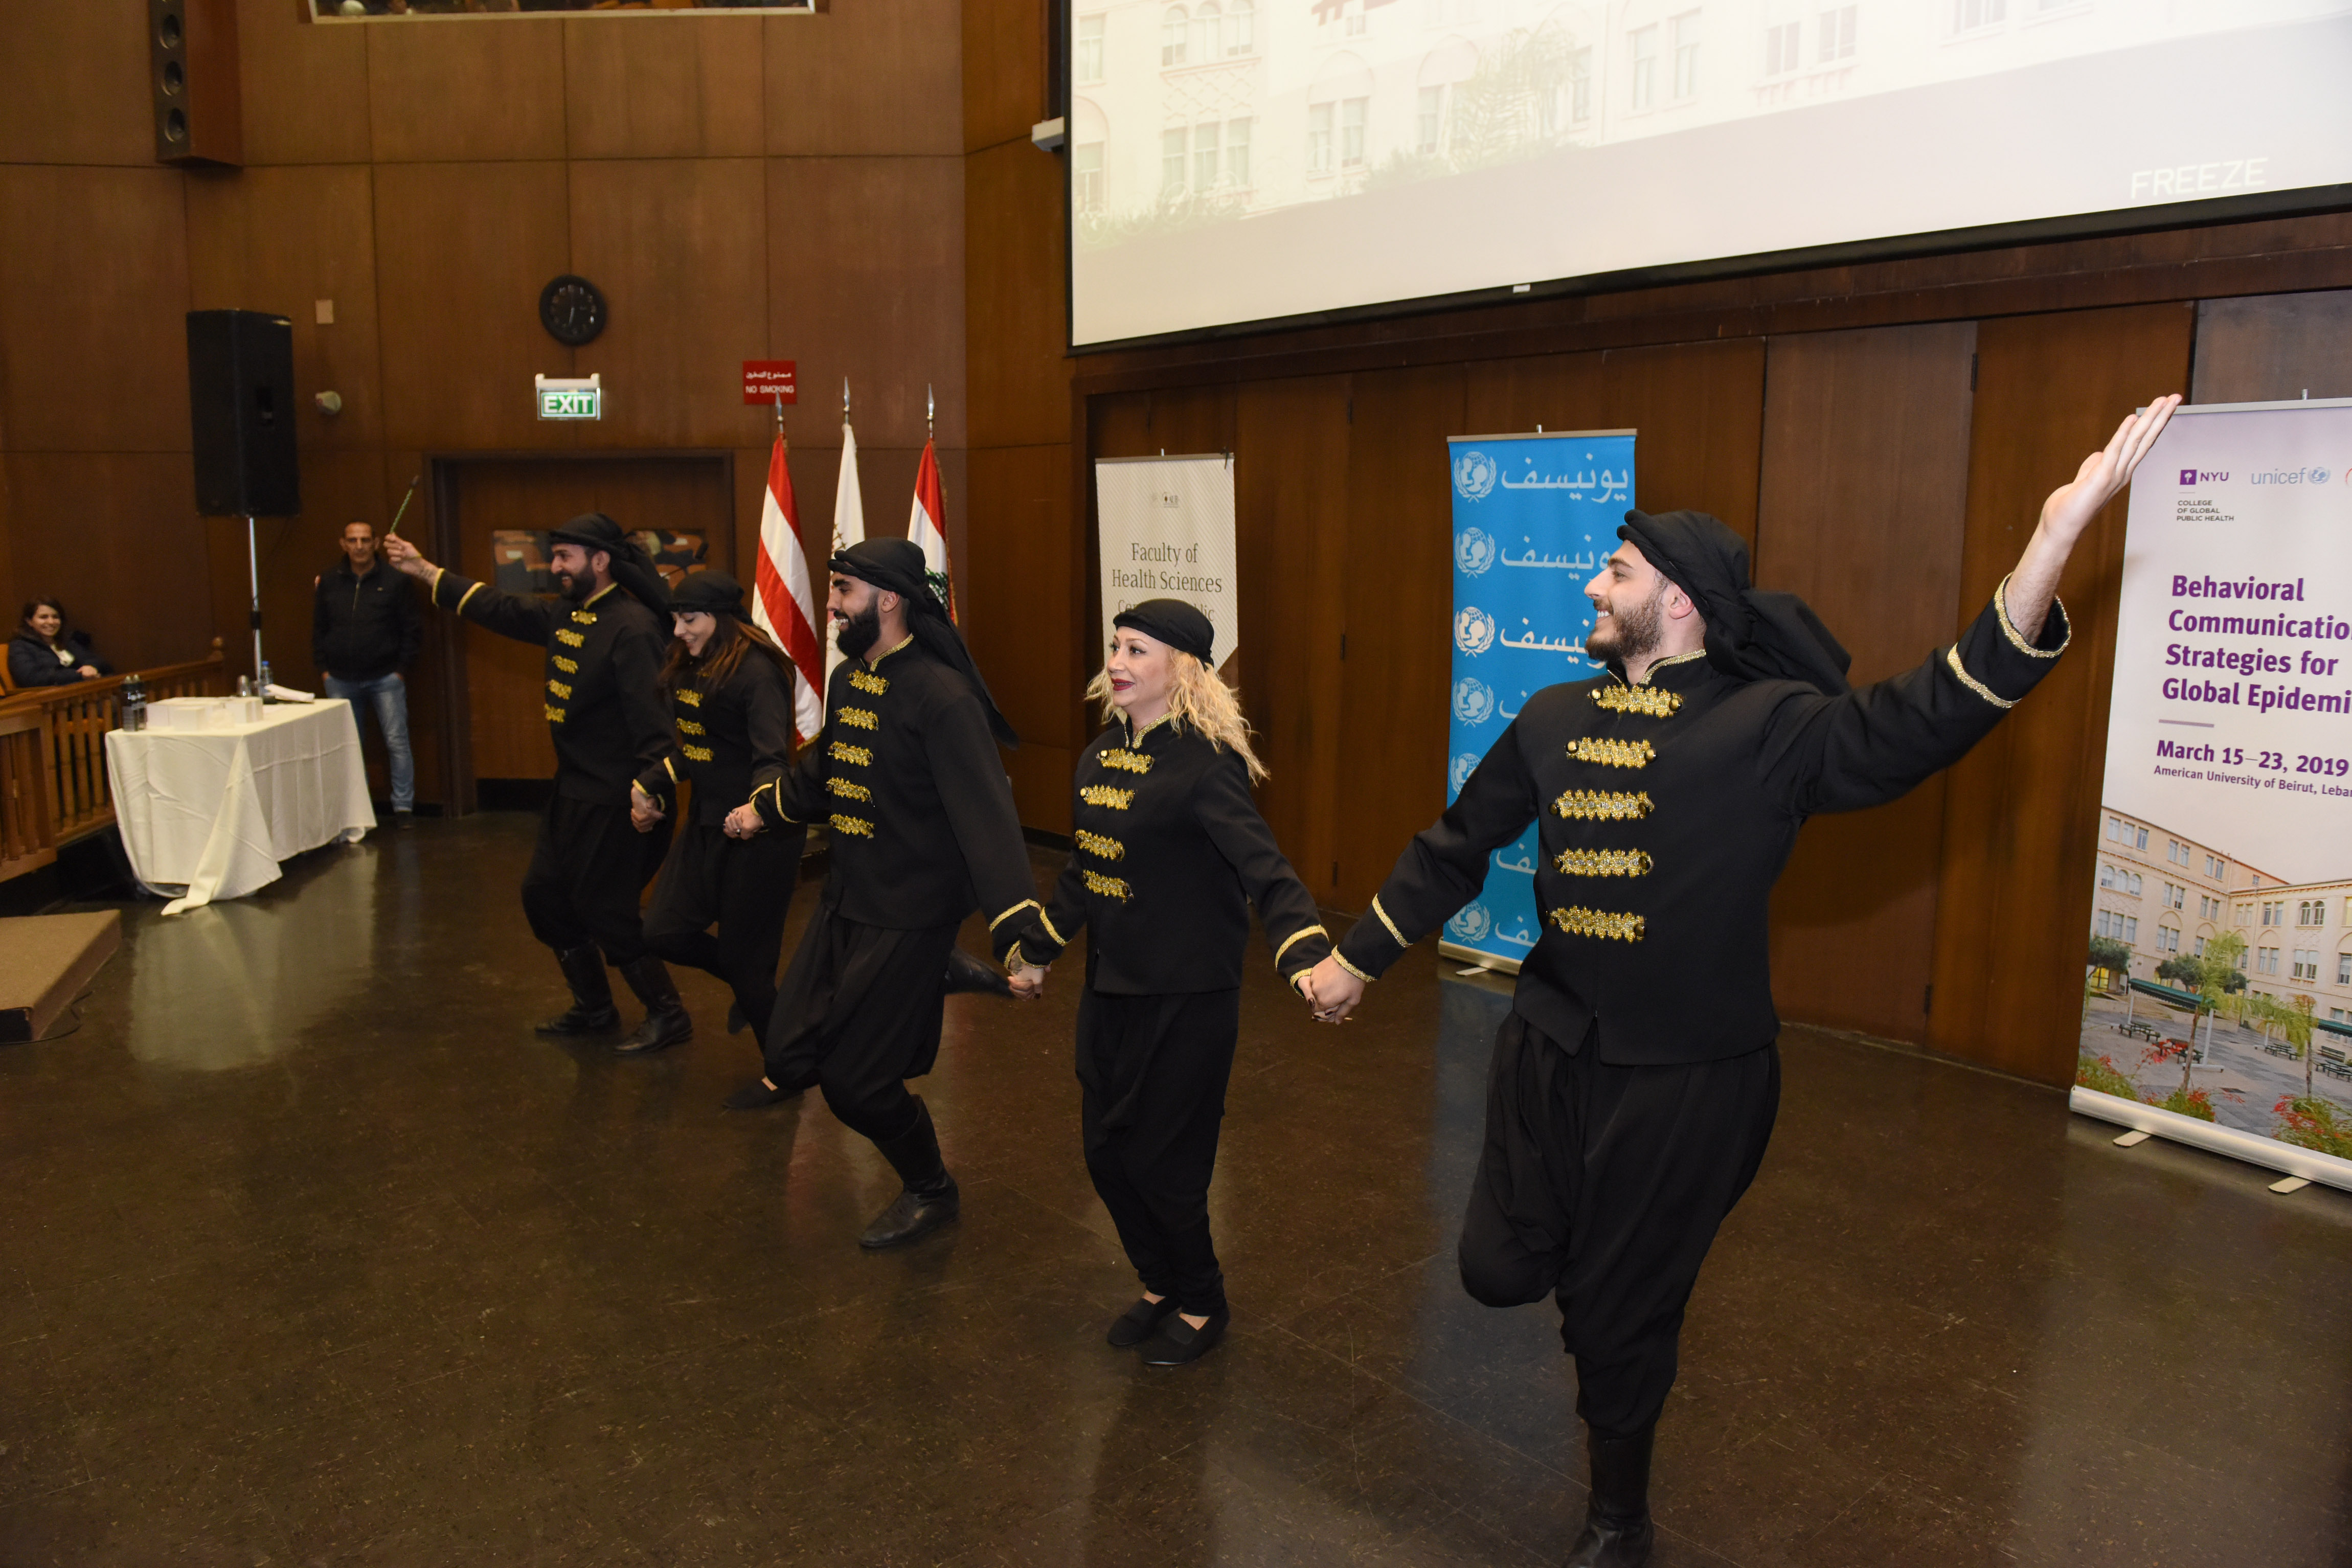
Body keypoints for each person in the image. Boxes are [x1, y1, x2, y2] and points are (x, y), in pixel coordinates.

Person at [1302, 397, 2183, 1568]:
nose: (1588, 590)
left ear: (1676, 599)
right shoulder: (1554, 717)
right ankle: (1612, 1286)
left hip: (1688, 1079)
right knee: (1495, 1267)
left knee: (1618, 1311)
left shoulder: (1774, 726)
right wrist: (1354, 957)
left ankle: (1619, 1516)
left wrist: (2046, 551)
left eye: (1610, 573)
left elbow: (1920, 720)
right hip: (1551, 1052)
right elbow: (1455, 844)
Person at [1008, 600, 1331, 1367]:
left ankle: (1202, 1296)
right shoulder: (1096, 758)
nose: (1117, 661)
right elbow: (1086, 870)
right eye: (1116, 646)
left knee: (1166, 1161)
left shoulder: (1204, 763)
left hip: (1188, 997)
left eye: (1137, 650)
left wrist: (1307, 953)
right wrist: (1039, 949)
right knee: (1106, 1153)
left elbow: (1267, 869)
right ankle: (1159, 1281)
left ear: (1181, 668)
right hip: (1112, 988)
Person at [723, 536, 1037, 1253]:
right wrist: (764, 808)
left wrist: (1020, 931)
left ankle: (931, 1186)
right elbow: (824, 773)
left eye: (842, 592)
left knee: (855, 1083)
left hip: (909, 912)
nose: (830, 605)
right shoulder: (850, 678)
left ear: (889, 600)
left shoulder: (942, 696)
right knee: (787, 1051)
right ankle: (943, 971)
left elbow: (988, 817)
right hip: (848, 897)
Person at [382, 514, 690, 1056]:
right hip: (571, 792)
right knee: (544, 896)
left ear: (600, 560)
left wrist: (650, 790)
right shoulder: (568, 612)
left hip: (618, 800)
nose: (555, 568)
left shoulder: (633, 627)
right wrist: (423, 569)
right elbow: (497, 608)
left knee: (607, 911)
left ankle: (669, 1014)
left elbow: (658, 728)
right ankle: (595, 1009)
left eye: (565, 558)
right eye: (554, 557)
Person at [629, 570, 806, 1052]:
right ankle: (760, 994)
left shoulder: (756, 672)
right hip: (707, 824)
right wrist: (650, 781)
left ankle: (787, 1070)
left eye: (690, 620)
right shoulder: (692, 662)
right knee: (662, 931)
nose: (679, 631)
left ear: (722, 619)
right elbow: (702, 746)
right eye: (676, 620)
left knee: (748, 966)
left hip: (758, 835)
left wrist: (757, 808)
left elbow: (770, 756)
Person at [312, 520, 423, 820]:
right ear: (343, 544)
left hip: (386, 677)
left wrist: (401, 669)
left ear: (375, 544)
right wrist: (324, 668)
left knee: (397, 742)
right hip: (339, 679)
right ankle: (356, 812)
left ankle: (403, 807)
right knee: (348, 748)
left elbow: (411, 629)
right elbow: (319, 629)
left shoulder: (396, 580)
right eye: (353, 540)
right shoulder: (329, 580)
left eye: (365, 540)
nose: (359, 546)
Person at [10, 599, 110, 689]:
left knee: (122, 695)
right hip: (57, 702)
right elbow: (31, 678)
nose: (51, 622)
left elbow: (97, 661)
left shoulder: (66, 641)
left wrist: (91, 667)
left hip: (84, 692)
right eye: (43, 617)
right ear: (29, 622)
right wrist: (79, 675)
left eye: (55, 617)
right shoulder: (20, 646)